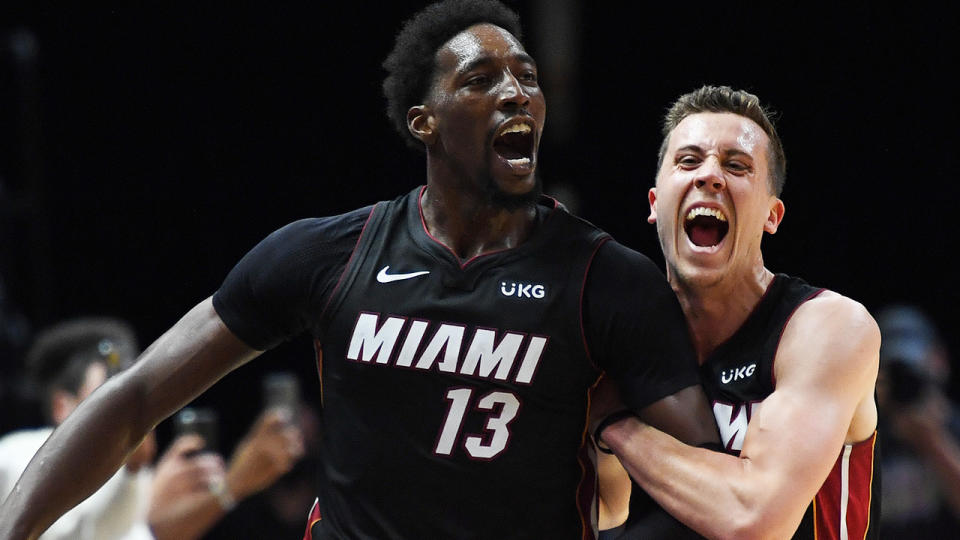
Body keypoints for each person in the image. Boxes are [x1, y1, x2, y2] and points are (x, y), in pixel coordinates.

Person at [0, 1, 719, 539]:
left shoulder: (608, 281)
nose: (516, 92)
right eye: (481, 78)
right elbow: (135, 397)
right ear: (423, 121)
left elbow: (713, 491)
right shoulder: (330, 254)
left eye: (527, 77)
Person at [594, 85, 881, 539]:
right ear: (655, 204)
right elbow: (604, 511)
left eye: (736, 165)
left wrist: (614, 425)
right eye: (688, 161)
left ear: (773, 215)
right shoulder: (624, 333)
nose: (709, 176)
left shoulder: (825, 327)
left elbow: (755, 522)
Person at [0, 317, 305, 540]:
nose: (121, 409)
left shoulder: (136, 471)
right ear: (62, 407)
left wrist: (229, 487)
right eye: (107, 393)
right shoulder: (19, 455)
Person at [874, 304, 960, 536]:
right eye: (896, 375)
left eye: (912, 369)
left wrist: (933, 444)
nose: (906, 383)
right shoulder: (864, 439)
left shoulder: (955, 428)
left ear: (939, 360)